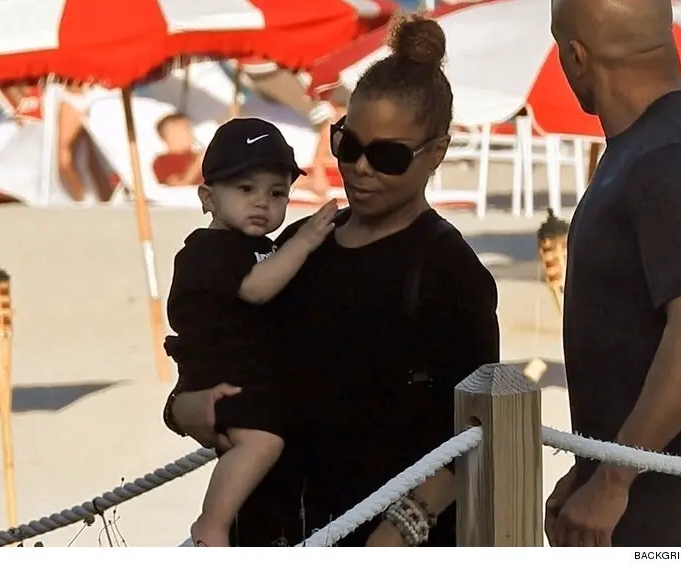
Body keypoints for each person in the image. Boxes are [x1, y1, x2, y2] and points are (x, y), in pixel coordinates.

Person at [164, 13, 500, 547]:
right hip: (271, 529)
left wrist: (400, 529)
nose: (362, 167)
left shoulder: (450, 272)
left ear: (437, 152)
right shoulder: (297, 246)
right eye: (349, 144)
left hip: (380, 538)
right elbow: (221, 342)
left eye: (388, 155)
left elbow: (477, 430)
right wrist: (183, 406)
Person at [546, 0, 681, 547]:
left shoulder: (670, 155)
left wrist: (613, 478)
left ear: (576, 56)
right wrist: (588, 469)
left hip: (669, 527)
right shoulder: (650, 146)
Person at [165, 117, 338, 546]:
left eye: (277, 193)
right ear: (208, 197)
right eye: (245, 189)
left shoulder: (257, 247)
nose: (262, 203)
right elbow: (258, 289)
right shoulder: (208, 251)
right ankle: (213, 523)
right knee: (260, 443)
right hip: (222, 377)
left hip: (249, 377)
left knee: (261, 441)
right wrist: (305, 241)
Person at [153, 112, 204, 186]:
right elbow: (177, 185)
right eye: (182, 131)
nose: (188, 134)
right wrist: (197, 165)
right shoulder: (162, 161)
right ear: (167, 138)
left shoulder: (198, 155)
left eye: (189, 129)